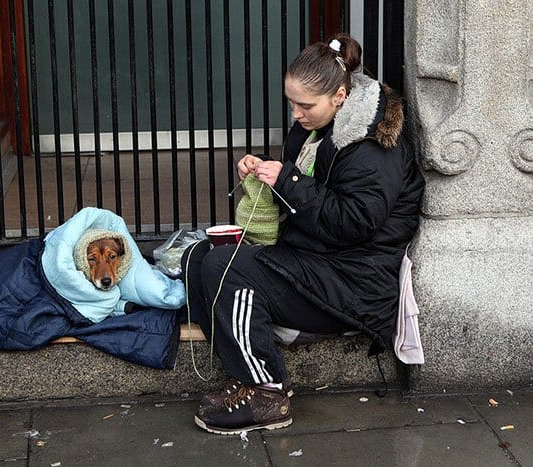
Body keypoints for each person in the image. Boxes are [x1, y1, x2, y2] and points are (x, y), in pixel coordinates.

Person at [182, 33, 425, 435]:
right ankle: (243, 373)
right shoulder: (318, 126)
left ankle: (267, 392)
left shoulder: (370, 148)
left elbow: (354, 222)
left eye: (305, 105)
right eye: (291, 102)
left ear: (340, 95)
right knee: (199, 256)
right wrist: (265, 173)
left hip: (355, 283)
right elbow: (307, 190)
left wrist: (289, 180)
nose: (296, 113)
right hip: (316, 261)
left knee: (228, 267)